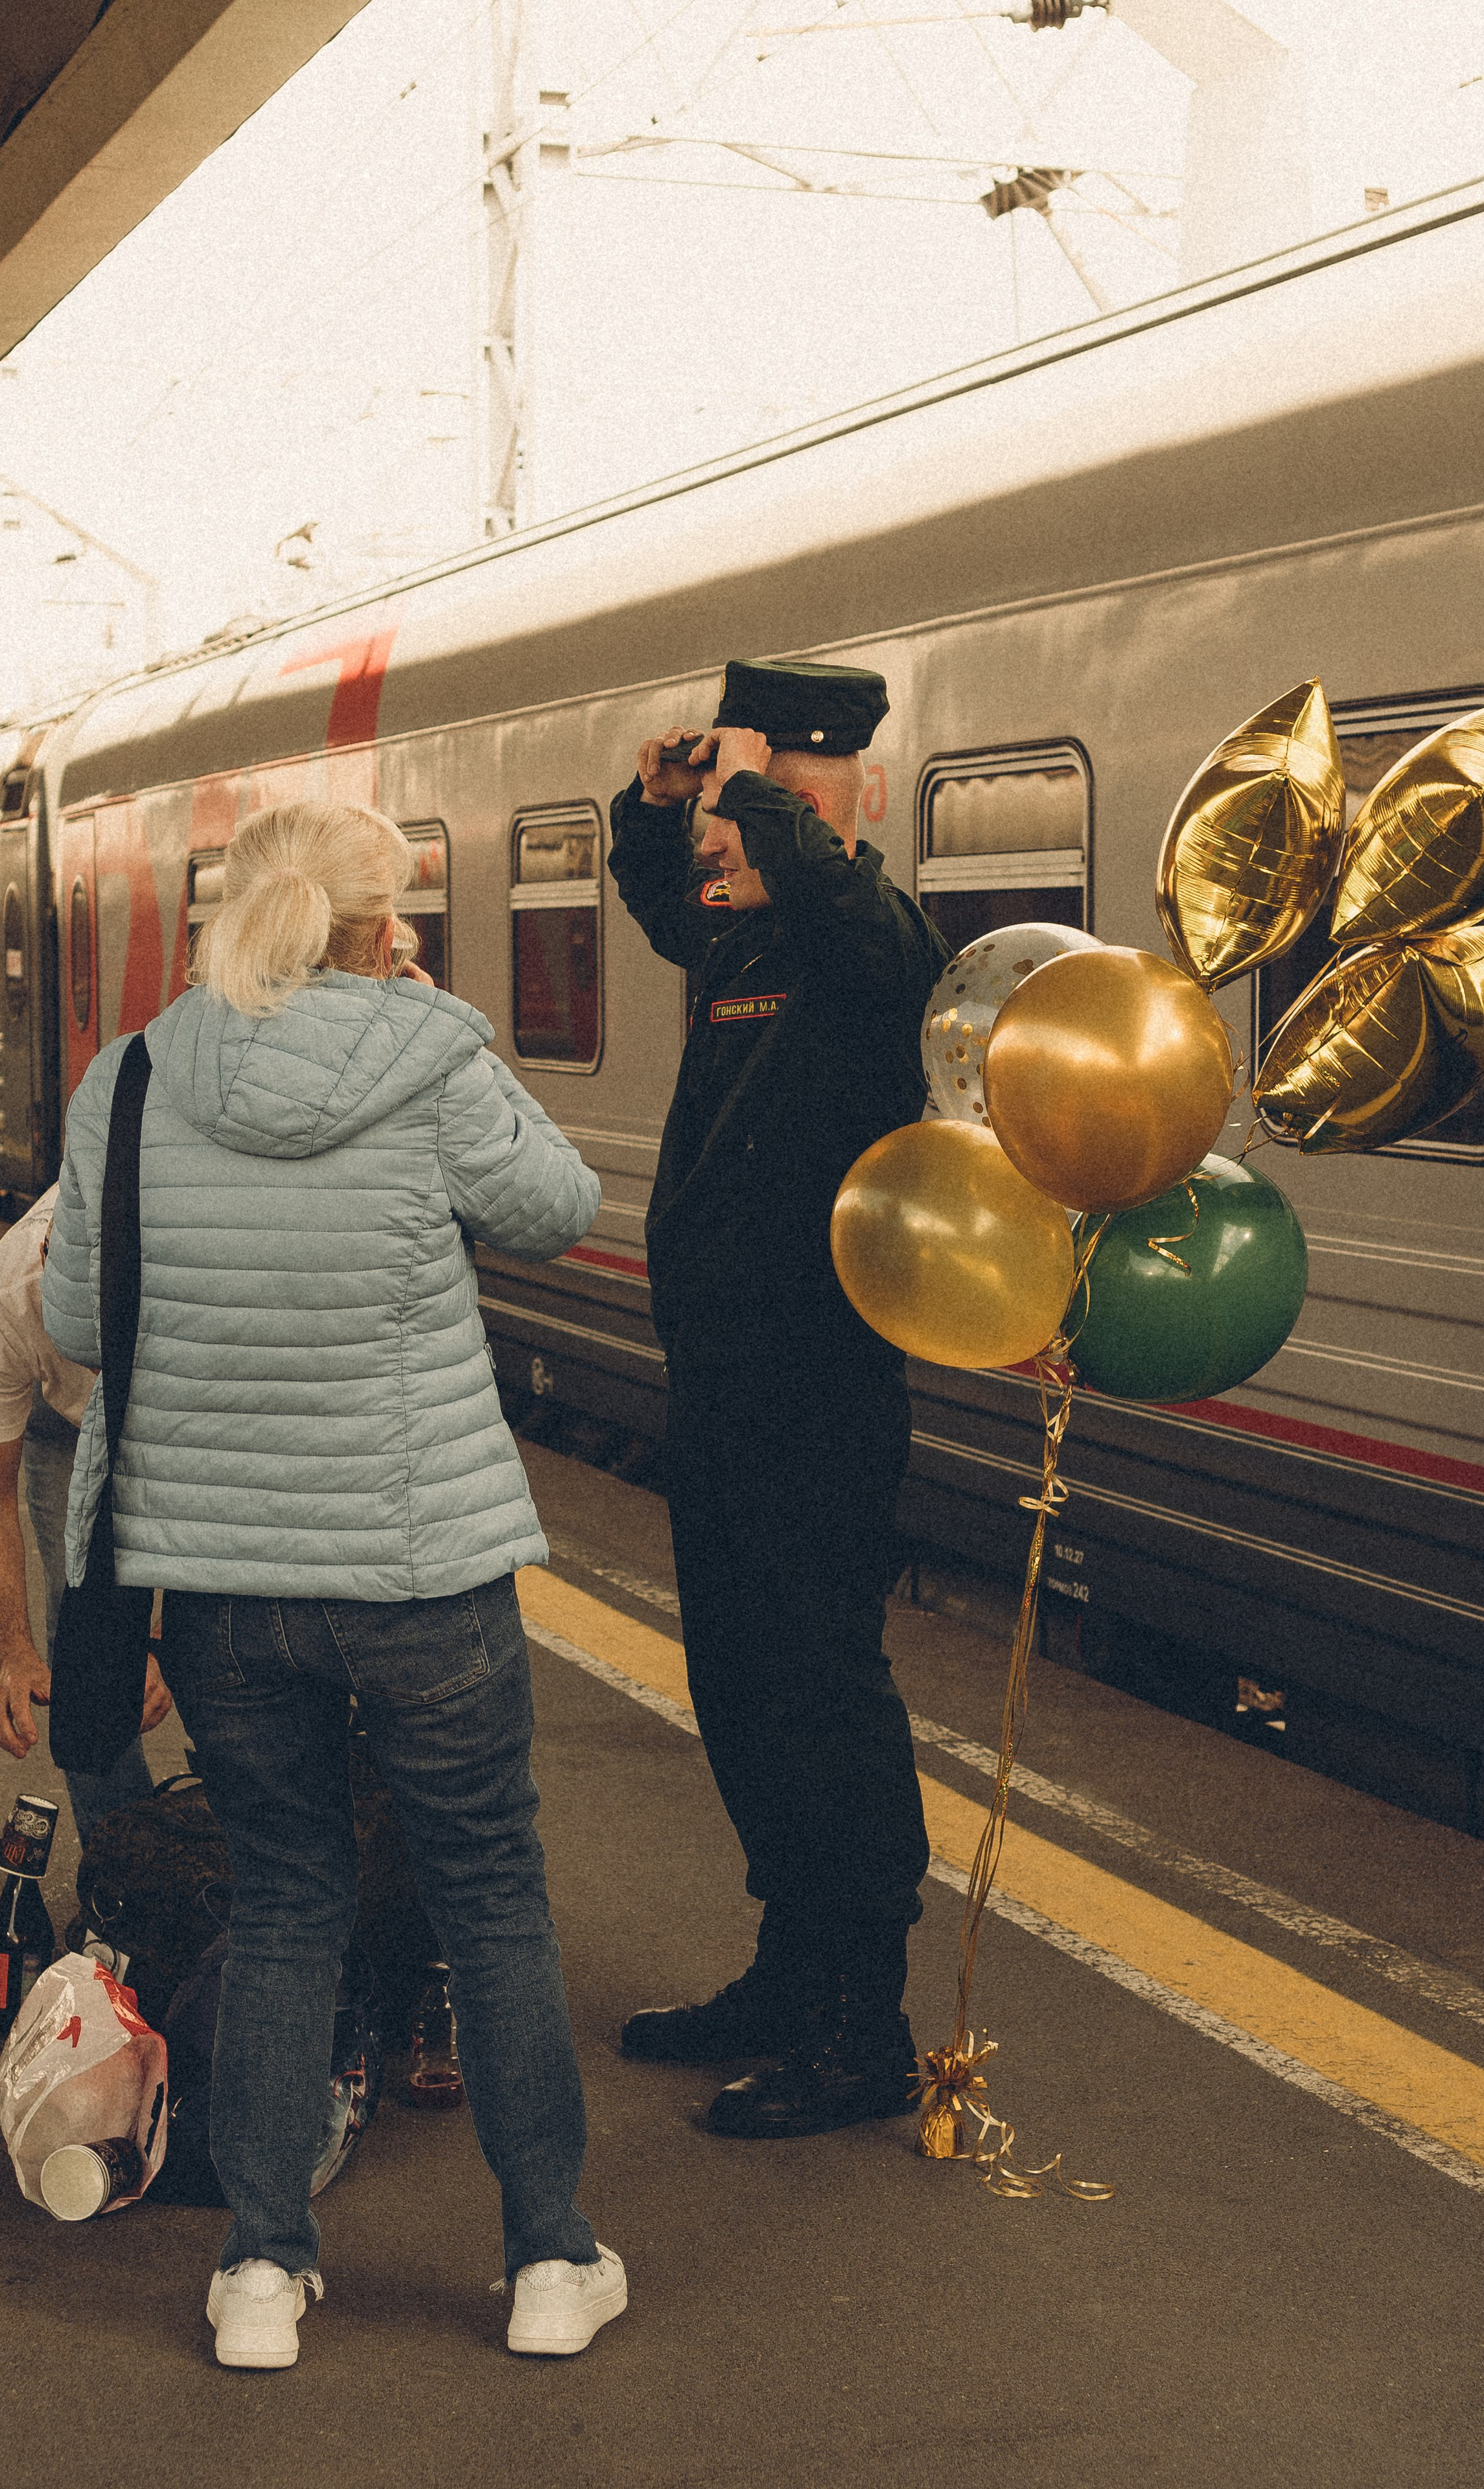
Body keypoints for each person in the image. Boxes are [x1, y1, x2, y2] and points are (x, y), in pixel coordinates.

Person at [43, 800, 625, 2372]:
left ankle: (258, 2272)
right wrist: (427, 1019)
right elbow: (559, 1211)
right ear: (387, 926)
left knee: (289, 1895)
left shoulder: (137, 1075)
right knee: (487, 1892)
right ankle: (550, 2261)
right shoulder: (429, 1054)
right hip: (417, 1567)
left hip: (223, 1582)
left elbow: (80, 1318)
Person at [607, 658, 943, 2141]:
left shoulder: (875, 941)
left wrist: (756, 788)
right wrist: (650, 810)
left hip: (819, 1387)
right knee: (736, 1684)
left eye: (746, 829)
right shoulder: (745, 951)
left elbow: (840, 909)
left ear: (821, 803)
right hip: (723, 1379)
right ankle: (784, 1964)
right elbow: (669, 906)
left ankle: (856, 2018)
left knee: (817, 1690)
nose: (718, 862)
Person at [0, 1189, 168, 1841]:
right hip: (66, 1422)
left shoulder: (205, 1286)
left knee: (232, 1650)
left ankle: (268, 1871)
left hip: (194, 1409)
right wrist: (11, 1655)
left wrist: (159, 1639)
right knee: (86, 1650)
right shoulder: (2, 1304)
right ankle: (124, 1870)